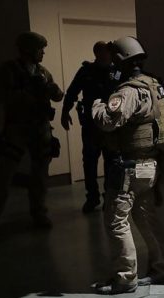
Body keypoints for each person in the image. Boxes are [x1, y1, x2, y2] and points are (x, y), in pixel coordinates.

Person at [91, 36, 164, 294]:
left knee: (116, 222)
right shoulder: (154, 84)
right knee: (145, 217)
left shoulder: (127, 91)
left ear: (119, 61)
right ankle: (163, 267)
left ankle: (126, 278)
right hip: (149, 164)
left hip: (128, 167)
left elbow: (107, 121)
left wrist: (96, 104)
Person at [0, 31, 64, 234]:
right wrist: (24, 95)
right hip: (17, 129)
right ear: (28, 50)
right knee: (5, 176)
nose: (43, 53)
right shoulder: (8, 70)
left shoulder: (42, 72)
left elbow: (58, 95)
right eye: (39, 49)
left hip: (41, 128)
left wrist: (53, 90)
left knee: (40, 175)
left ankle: (38, 212)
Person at [61, 41, 118, 213]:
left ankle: (109, 197)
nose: (104, 55)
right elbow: (72, 92)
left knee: (112, 162)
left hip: (110, 125)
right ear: (96, 53)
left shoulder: (117, 71)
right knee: (90, 162)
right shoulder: (86, 71)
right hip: (91, 125)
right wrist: (65, 112)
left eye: (106, 52)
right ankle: (92, 197)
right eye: (101, 52)